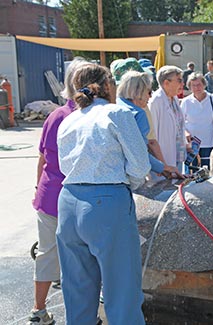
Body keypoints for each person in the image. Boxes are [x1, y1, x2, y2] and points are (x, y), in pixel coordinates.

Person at [56, 63, 150, 323]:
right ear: (108, 86)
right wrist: (125, 183)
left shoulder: (68, 120)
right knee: (122, 291)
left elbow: (64, 165)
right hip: (107, 200)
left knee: (77, 290)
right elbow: (140, 166)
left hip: (69, 201)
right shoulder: (117, 113)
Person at [27, 57, 89, 325]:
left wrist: (37, 188)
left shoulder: (55, 115)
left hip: (49, 194)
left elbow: (43, 159)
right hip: (76, 197)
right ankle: (82, 313)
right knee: (79, 258)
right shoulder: (86, 116)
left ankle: (38, 311)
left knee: (47, 253)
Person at [116, 70, 182, 178]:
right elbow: (140, 151)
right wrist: (163, 167)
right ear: (139, 91)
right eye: (149, 92)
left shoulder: (114, 106)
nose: (150, 97)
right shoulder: (138, 113)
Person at [149, 65, 187, 174]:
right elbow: (152, 137)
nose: (182, 84)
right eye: (179, 80)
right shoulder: (156, 101)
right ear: (166, 83)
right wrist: (161, 165)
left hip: (177, 157)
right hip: (164, 162)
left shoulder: (174, 98)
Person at [180, 72, 213, 169]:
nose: (196, 88)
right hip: (192, 144)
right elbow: (179, 121)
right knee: (192, 172)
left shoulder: (212, 98)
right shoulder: (186, 101)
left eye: (199, 85)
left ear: (204, 85)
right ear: (189, 87)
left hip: (208, 142)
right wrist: (185, 132)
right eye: (193, 85)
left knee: (207, 170)